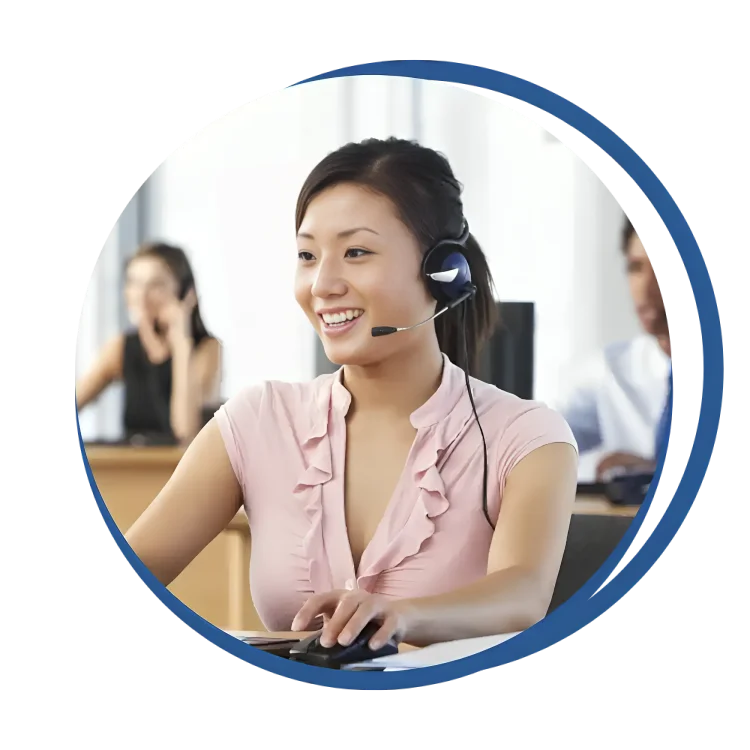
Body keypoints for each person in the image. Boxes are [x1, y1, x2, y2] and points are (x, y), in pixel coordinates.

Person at [125, 138, 579, 652]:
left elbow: (524, 594)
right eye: (307, 255)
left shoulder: (528, 437)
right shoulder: (258, 420)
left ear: (443, 272)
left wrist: (399, 617)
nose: (322, 284)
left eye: (356, 252)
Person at [555, 220, 672, 483]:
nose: (645, 288)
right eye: (635, 268)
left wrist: (654, 473)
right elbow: (536, 452)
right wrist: (602, 468)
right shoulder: (611, 370)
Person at [76, 242, 222, 445]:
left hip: (179, 471)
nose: (141, 295)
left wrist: (181, 345)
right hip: (136, 469)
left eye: (156, 285)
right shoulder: (122, 346)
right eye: (134, 282)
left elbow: (186, 431)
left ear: (184, 292)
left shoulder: (207, 349)